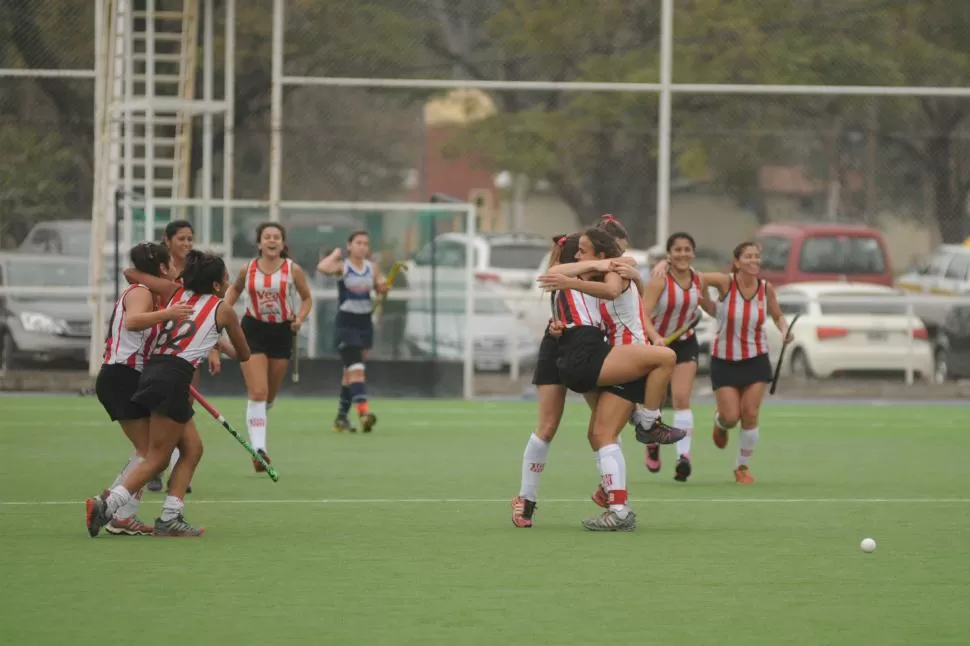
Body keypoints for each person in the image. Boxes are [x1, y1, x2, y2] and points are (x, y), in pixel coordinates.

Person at [86, 250, 251, 537]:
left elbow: (135, 274)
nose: (227, 285)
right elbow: (244, 354)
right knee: (157, 457)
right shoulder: (223, 310)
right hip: (173, 377)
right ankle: (108, 505)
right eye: (225, 280)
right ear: (215, 285)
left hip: (152, 372)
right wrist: (226, 338)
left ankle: (170, 517)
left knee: (192, 448)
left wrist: (214, 339)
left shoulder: (176, 294)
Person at [537, 228, 685, 530]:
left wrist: (571, 281)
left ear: (602, 254)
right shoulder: (597, 274)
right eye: (576, 251)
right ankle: (617, 507)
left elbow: (614, 291)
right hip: (612, 357)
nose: (578, 256)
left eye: (584, 251)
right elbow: (560, 274)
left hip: (627, 354)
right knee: (599, 435)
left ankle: (649, 422)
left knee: (667, 358)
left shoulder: (616, 270)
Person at [510, 215, 632, 529]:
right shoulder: (571, 273)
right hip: (558, 347)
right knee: (548, 426)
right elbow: (557, 285)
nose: (618, 255)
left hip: (590, 348)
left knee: (604, 428)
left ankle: (613, 494)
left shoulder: (611, 279)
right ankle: (526, 497)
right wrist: (556, 326)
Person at [95, 243, 193, 536]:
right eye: (171, 263)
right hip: (121, 376)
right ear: (163, 267)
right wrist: (170, 314)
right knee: (151, 453)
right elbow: (134, 321)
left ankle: (113, 506)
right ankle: (114, 511)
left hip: (131, 376)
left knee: (153, 452)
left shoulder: (152, 292)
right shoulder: (141, 292)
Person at [126, 219, 220, 494]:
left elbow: (208, 315)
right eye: (182, 239)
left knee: (182, 410)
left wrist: (214, 348)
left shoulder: (195, 270)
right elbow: (129, 272)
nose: (187, 244)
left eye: (190, 239)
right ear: (167, 241)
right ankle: (158, 464)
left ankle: (178, 467)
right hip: (165, 350)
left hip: (191, 349)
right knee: (164, 412)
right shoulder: (161, 272)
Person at [223, 222, 312, 471]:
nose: (272, 241)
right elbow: (234, 291)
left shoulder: (294, 270)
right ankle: (259, 449)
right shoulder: (247, 269)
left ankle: (259, 414)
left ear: (283, 244)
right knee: (258, 392)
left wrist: (300, 318)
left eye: (277, 237)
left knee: (269, 395)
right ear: (259, 243)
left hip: (282, 332)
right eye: (267, 237)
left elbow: (306, 298)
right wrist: (221, 312)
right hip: (253, 330)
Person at [704, 241, 792, 484]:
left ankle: (741, 467)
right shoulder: (726, 283)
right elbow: (697, 278)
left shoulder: (766, 289)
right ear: (736, 261)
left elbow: (777, 315)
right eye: (748, 256)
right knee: (731, 417)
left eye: (757, 256)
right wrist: (702, 300)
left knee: (750, 414)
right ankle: (719, 422)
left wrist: (784, 330)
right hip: (724, 360)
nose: (754, 260)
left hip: (756, 359)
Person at [639, 232, 716, 482]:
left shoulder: (698, 279)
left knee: (682, 397)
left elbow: (709, 307)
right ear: (669, 254)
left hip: (685, 344)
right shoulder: (659, 280)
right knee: (657, 400)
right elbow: (643, 314)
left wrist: (729, 311)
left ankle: (683, 458)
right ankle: (652, 442)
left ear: (693, 253)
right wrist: (655, 337)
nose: (683, 254)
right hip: (657, 345)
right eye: (677, 250)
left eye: (687, 250)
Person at [316, 231, 387, 434]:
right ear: (350, 246)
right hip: (346, 323)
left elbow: (381, 284)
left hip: (365, 322)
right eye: (358, 243)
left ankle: (340, 419)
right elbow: (322, 268)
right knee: (356, 368)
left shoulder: (372, 268)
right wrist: (335, 254)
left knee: (350, 373)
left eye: (366, 243)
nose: (362, 247)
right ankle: (364, 412)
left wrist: (383, 287)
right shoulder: (343, 267)